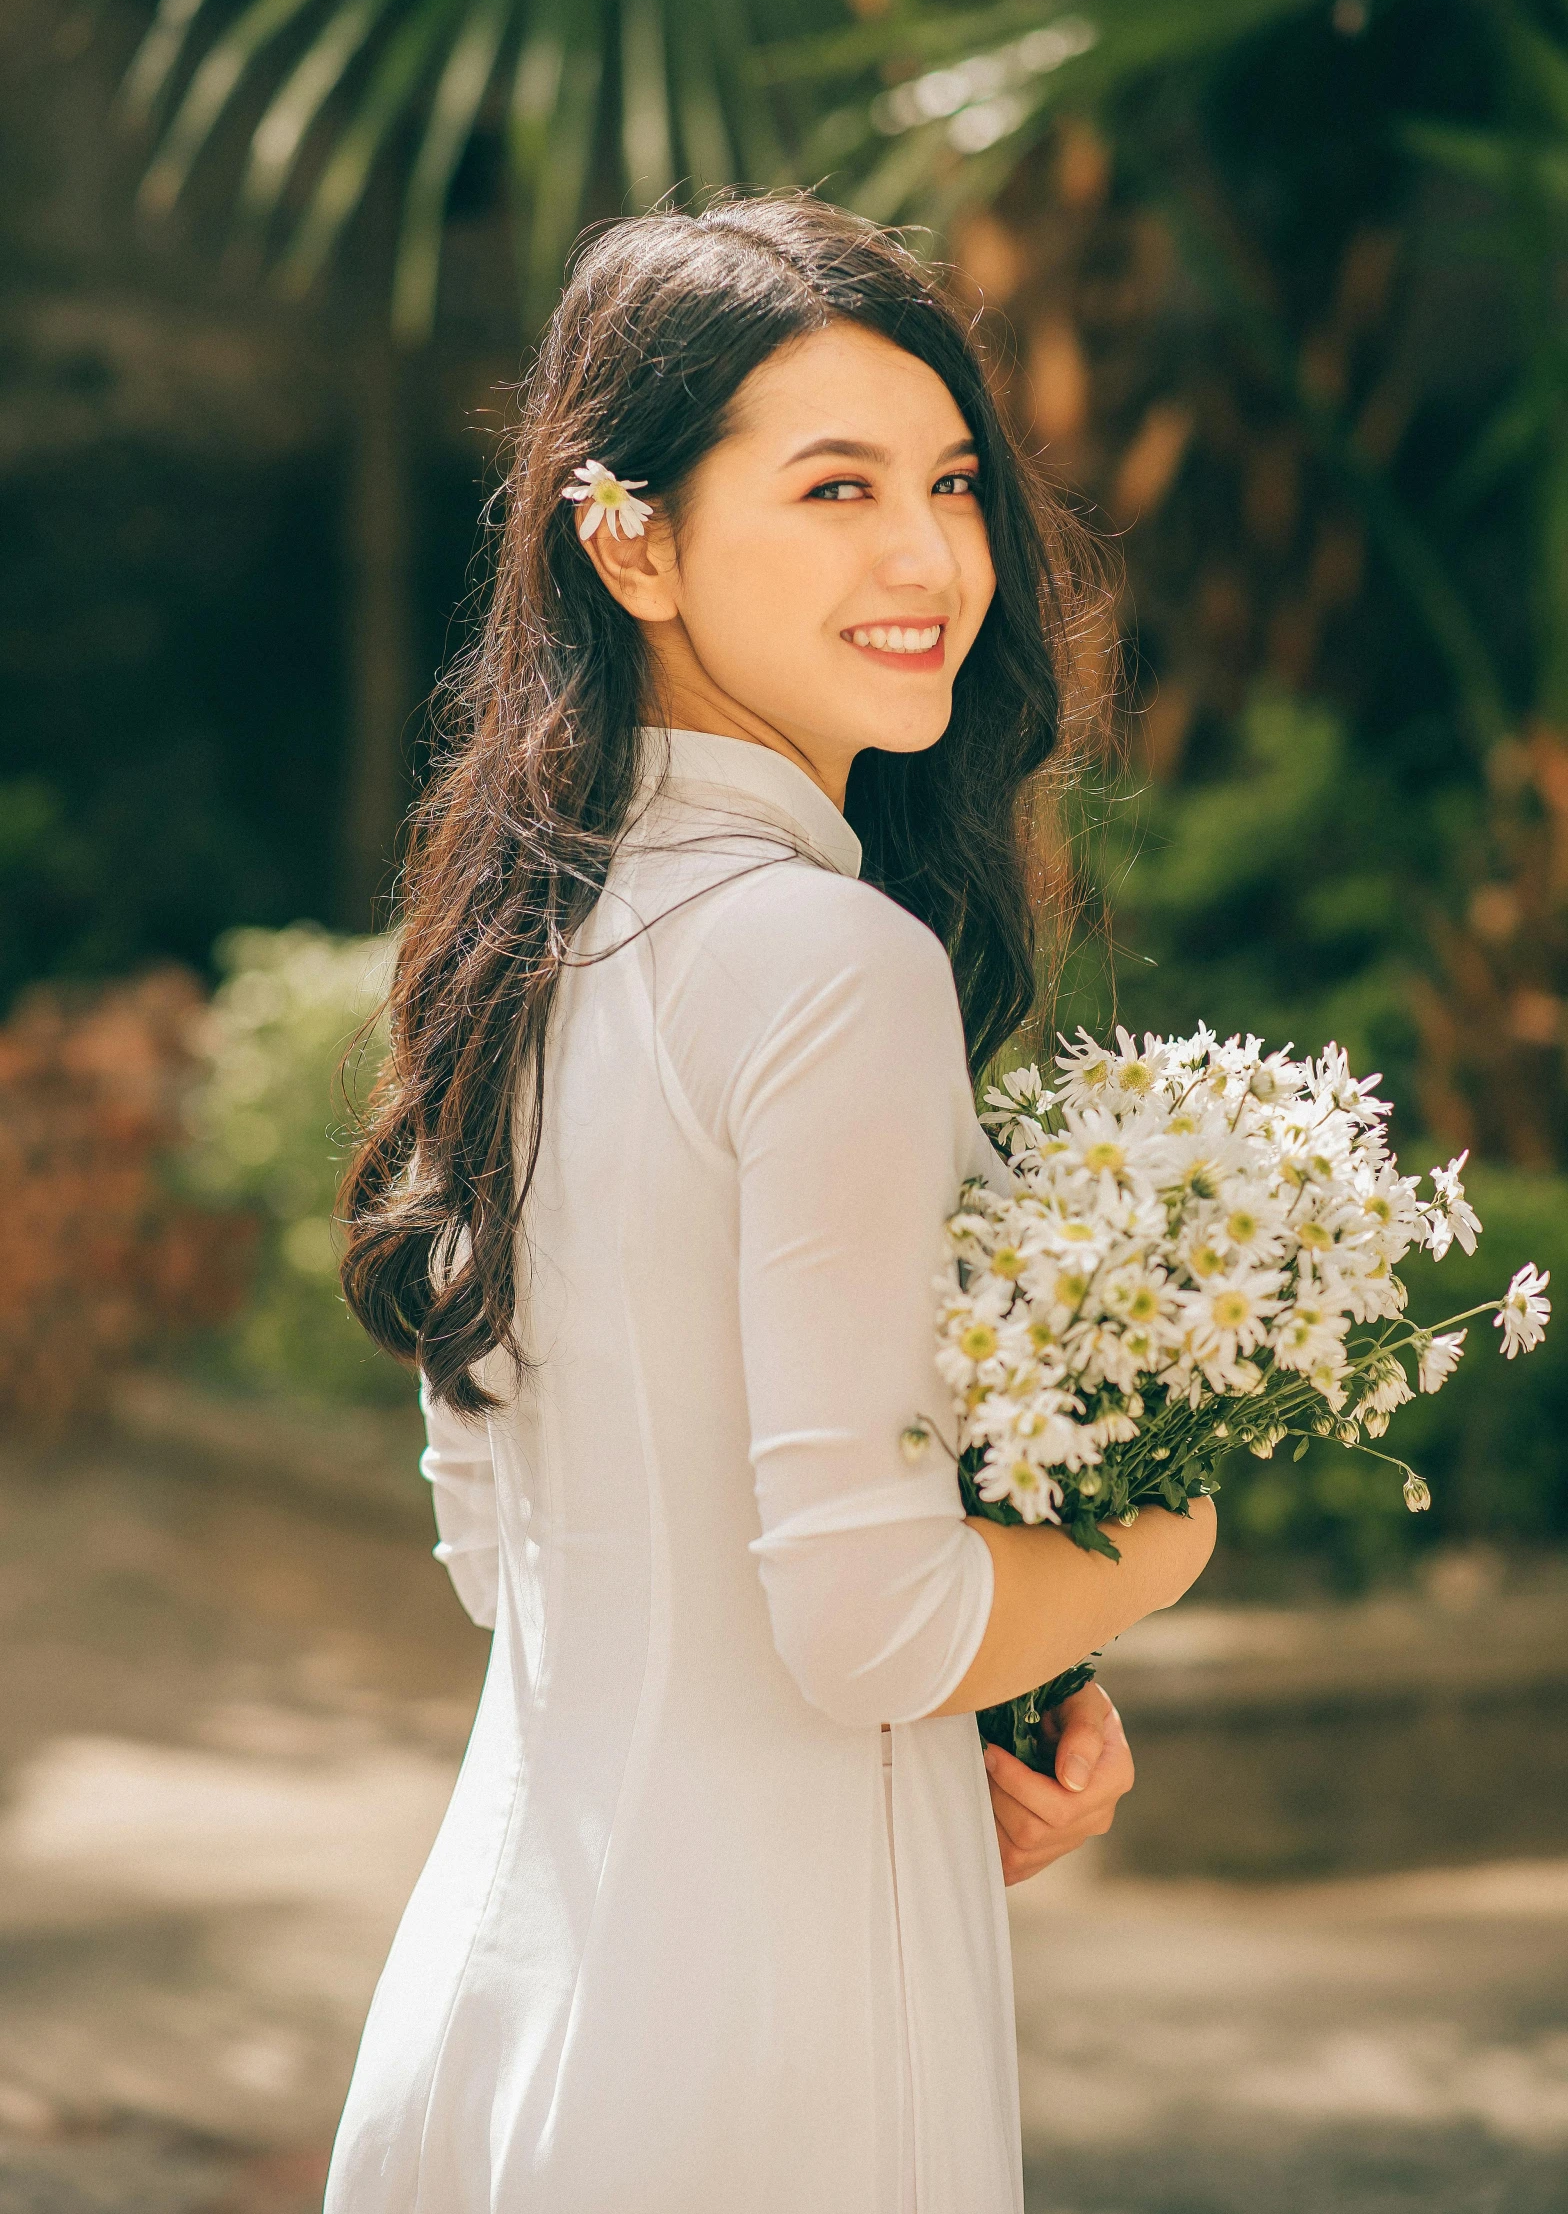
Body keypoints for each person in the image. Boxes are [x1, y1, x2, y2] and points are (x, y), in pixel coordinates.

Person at [325, 193, 1217, 2214]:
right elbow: (872, 1614)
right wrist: (1155, 1545)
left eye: (952, 484)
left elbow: (507, 1548)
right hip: (770, 2042)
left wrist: (1000, 1695)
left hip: (495, 1987)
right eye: (832, 488)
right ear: (626, 537)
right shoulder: (832, 968)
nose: (927, 559)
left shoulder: (509, 941)